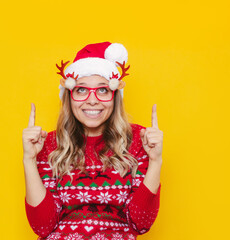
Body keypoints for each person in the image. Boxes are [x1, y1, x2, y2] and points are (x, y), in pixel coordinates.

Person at [22, 42, 163, 240]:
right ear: (69, 97)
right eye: (81, 90)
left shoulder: (139, 141)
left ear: (114, 97)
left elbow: (141, 223)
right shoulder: (48, 144)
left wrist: (156, 160)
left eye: (103, 90)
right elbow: (42, 226)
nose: (92, 100)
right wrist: (29, 159)